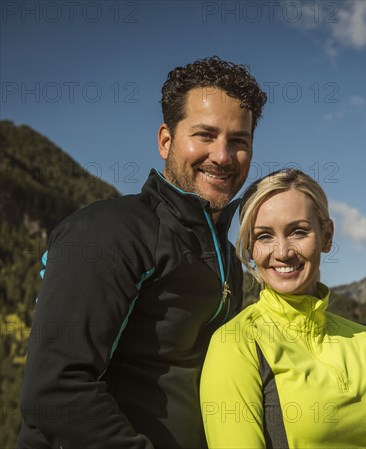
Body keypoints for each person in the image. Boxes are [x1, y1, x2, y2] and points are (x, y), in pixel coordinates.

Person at [17, 56, 267, 449]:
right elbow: (55, 393)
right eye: (205, 135)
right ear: (166, 140)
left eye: (239, 141)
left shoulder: (225, 258)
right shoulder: (108, 231)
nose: (222, 155)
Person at [200, 169, 366, 448]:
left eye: (298, 232)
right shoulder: (235, 344)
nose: (282, 251)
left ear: (326, 235)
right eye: (264, 236)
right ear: (249, 247)